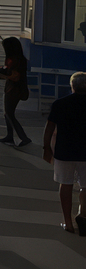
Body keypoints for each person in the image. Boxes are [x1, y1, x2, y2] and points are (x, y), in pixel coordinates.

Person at [43, 71, 86, 234]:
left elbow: (49, 127)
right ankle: (83, 216)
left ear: (72, 86)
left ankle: (68, 222)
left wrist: (46, 147)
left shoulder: (60, 104)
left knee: (66, 184)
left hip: (64, 151)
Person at [0, 36, 31, 147]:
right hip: (14, 88)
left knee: (9, 113)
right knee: (7, 113)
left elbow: (15, 76)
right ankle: (10, 135)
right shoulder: (18, 58)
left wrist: (1, 74)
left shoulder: (15, 60)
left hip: (14, 89)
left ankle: (23, 137)